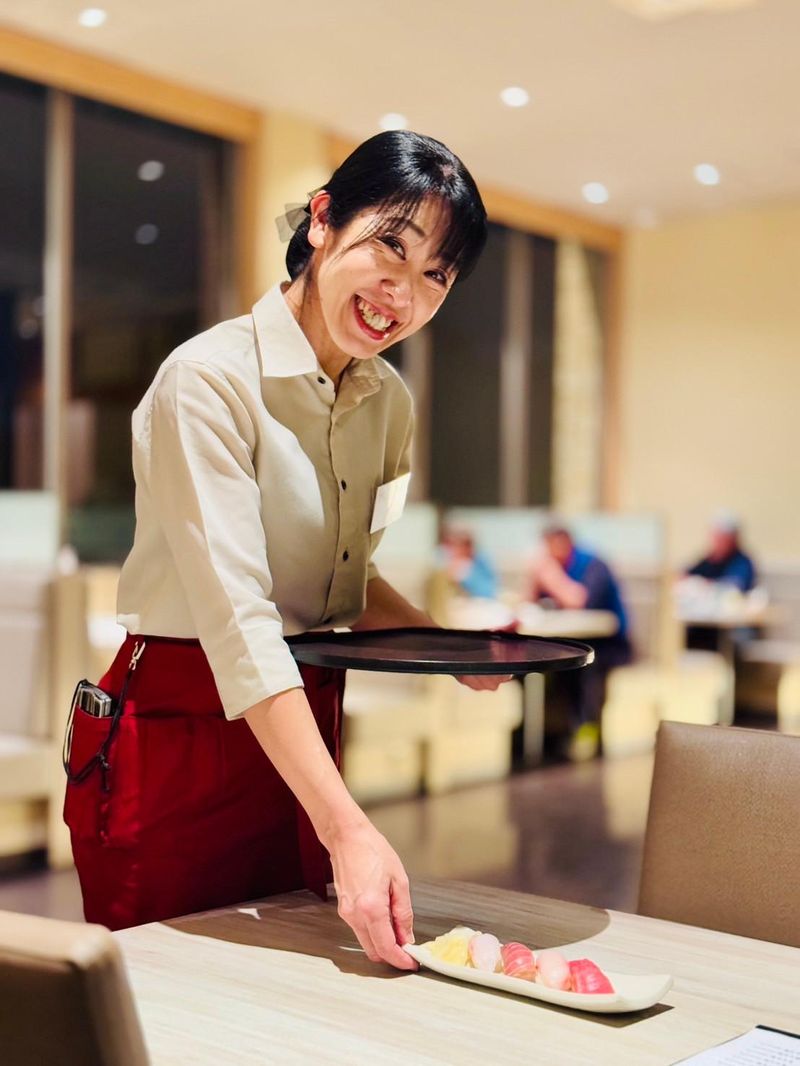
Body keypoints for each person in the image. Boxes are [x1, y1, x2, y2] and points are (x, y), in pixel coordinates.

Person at [63, 131, 502, 970]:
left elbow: (346, 577)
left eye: (436, 276)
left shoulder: (388, 402)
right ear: (323, 221)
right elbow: (240, 620)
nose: (402, 294)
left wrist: (450, 648)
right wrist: (350, 829)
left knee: (294, 1001)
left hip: (300, 732)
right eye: (392, 246)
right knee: (173, 1002)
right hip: (178, 736)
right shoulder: (207, 380)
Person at [527, 524, 632, 759]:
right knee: (538, 666)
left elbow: (580, 601)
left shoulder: (593, 565)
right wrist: (534, 578)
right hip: (569, 641)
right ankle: (541, 735)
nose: (548, 552)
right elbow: (530, 603)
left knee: (582, 669)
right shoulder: (555, 567)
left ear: (565, 542)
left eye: (551, 546)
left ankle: (585, 731)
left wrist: (551, 576)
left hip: (608, 643)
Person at [685, 513, 757, 593]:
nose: (718, 543)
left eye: (722, 538)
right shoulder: (711, 559)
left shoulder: (742, 562)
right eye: (716, 538)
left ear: (733, 539)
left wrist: (708, 584)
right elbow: (686, 575)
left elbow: (737, 585)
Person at [438, 526, 498, 599]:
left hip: (482, 598)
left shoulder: (481, 559)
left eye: (466, 545)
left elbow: (488, 588)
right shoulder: (451, 560)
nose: (462, 548)